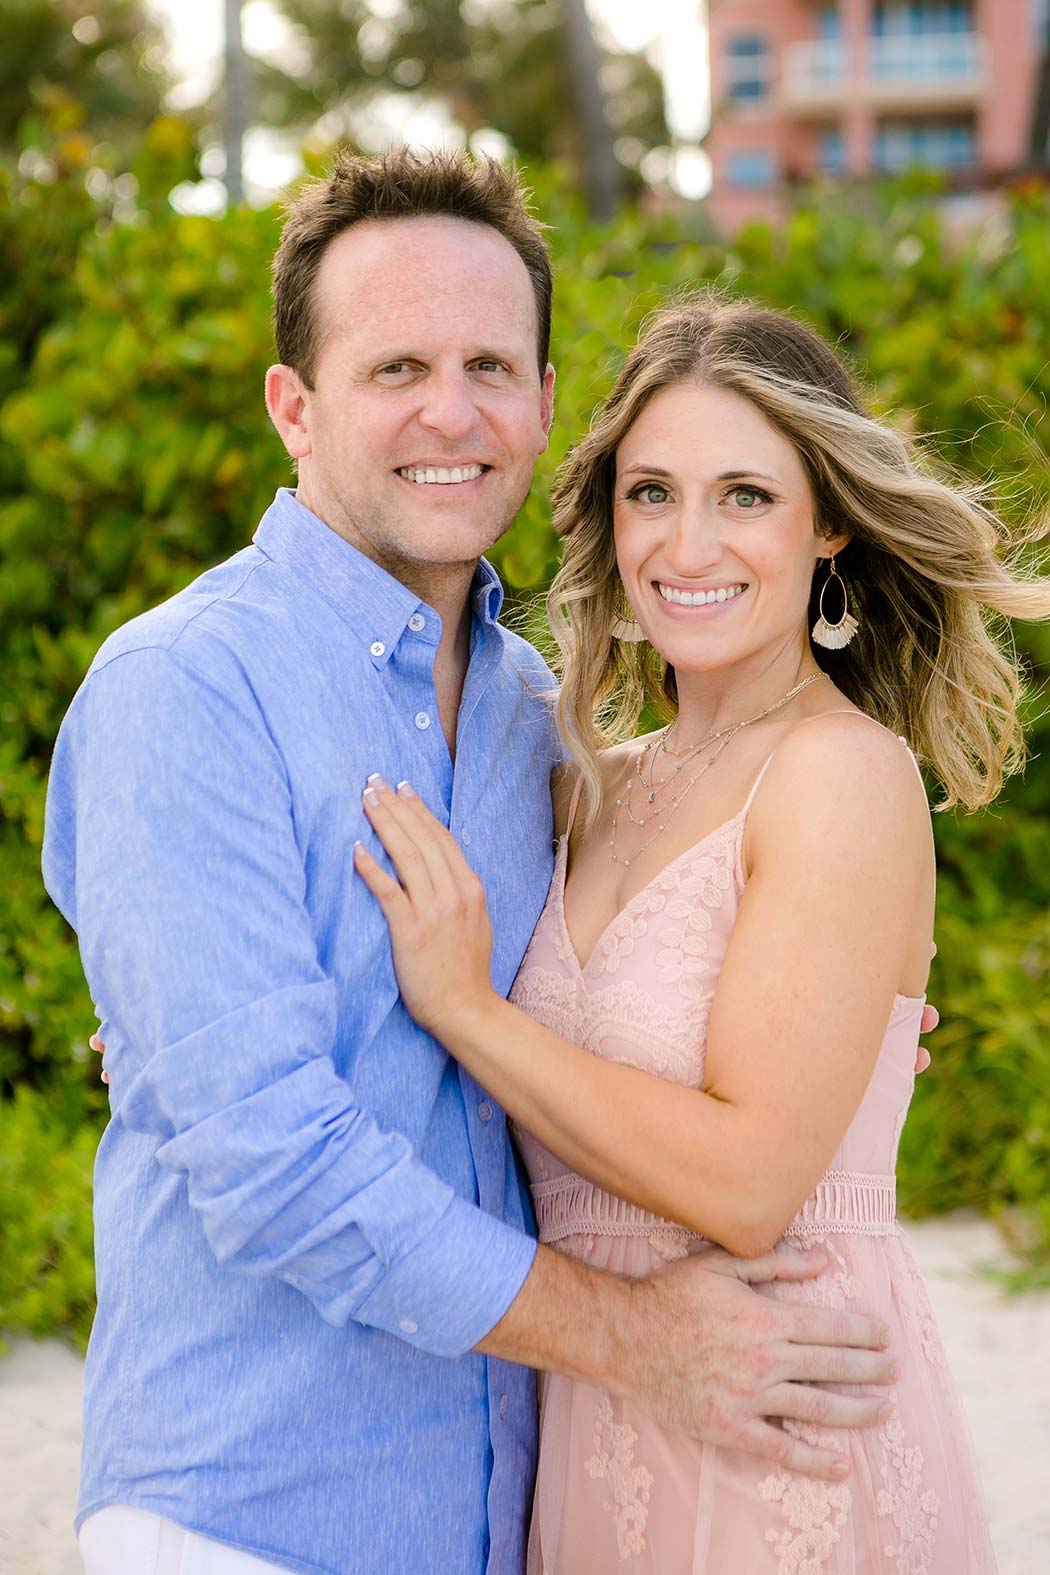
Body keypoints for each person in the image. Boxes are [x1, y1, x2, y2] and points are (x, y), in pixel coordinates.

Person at [45, 151, 906, 1575]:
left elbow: (629, 1007)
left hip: (510, 1516)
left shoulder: (530, 719)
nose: (451, 412)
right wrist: (639, 1337)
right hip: (250, 1512)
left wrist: (842, 1026)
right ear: (293, 407)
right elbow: (273, 1168)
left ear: (546, 403)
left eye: (490, 364)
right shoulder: (186, 689)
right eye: (395, 365)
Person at [353, 289, 1048, 1571]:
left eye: (745, 496)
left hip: (780, 1422)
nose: (689, 544)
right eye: (652, 493)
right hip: (594, 1401)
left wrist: (470, 1012)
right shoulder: (582, 782)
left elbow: (745, 1184)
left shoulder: (844, 776)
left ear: (829, 521)